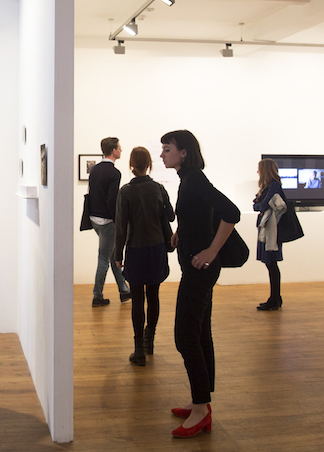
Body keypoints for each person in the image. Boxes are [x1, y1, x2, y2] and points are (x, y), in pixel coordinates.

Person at [160, 130, 240, 439]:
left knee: (185, 336)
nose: (163, 154)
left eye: (167, 149)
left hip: (200, 269)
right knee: (199, 332)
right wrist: (183, 230)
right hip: (195, 267)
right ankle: (201, 403)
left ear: (183, 153)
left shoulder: (194, 179)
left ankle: (200, 409)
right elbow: (199, 211)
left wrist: (211, 250)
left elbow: (230, 213)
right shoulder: (188, 179)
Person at [114, 147, 175, 366]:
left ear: (131, 164)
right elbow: (170, 215)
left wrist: (117, 254)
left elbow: (120, 227)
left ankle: (138, 347)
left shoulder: (126, 192)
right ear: (149, 163)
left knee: (137, 299)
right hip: (156, 247)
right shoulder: (158, 188)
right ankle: (150, 338)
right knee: (154, 295)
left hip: (136, 249)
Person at [87, 137, 131, 307]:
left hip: (95, 220)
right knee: (104, 259)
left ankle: (124, 290)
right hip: (107, 222)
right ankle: (97, 295)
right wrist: (119, 222)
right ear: (113, 150)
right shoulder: (114, 173)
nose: (121, 150)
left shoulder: (95, 169)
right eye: (119, 148)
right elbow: (112, 200)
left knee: (113, 257)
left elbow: (92, 195)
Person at [254, 158, 287, 311]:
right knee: (270, 264)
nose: (257, 172)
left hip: (272, 230)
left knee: (271, 263)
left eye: (259, 169)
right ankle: (275, 297)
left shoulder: (273, 185)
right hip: (267, 228)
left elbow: (262, 204)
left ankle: (275, 298)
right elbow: (258, 204)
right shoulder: (268, 186)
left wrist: (258, 205)